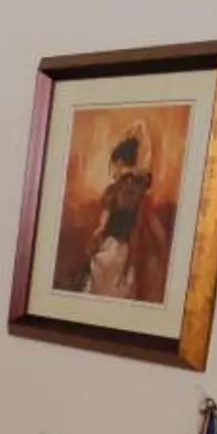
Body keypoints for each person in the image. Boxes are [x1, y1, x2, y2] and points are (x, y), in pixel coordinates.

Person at [73, 123, 160, 301]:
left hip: (116, 250)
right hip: (120, 249)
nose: (113, 170)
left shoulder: (119, 192)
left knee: (107, 281)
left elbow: (109, 226)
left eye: (115, 165)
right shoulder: (130, 191)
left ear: (120, 163)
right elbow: (124, 226)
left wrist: (97, 240)